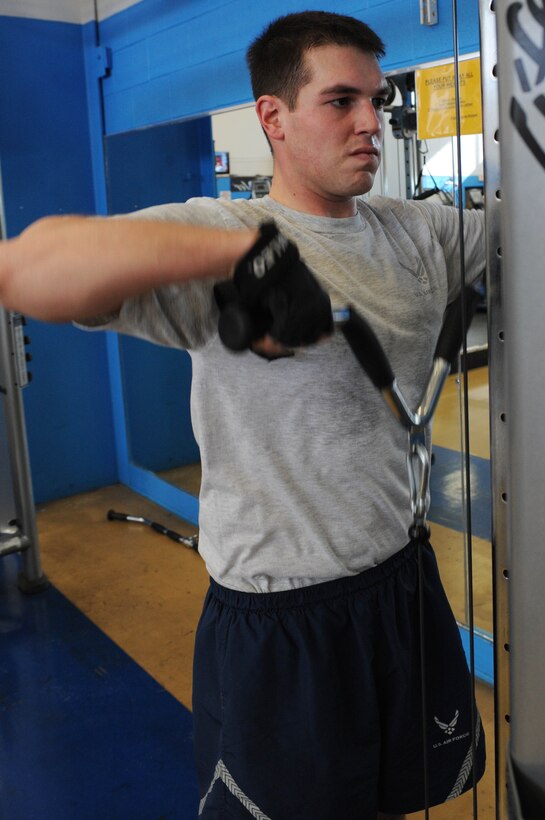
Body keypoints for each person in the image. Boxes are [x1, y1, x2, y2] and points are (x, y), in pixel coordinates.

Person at [0, 11, 486, 820]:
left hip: (401, 582)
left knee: (399, 799)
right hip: (281, 619)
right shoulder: (215, 230)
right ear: (274, 117)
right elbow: (26, 268)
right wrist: (247, 256)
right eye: (341, 101)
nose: (372, 121)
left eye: (378, 97)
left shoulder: (417, 233)